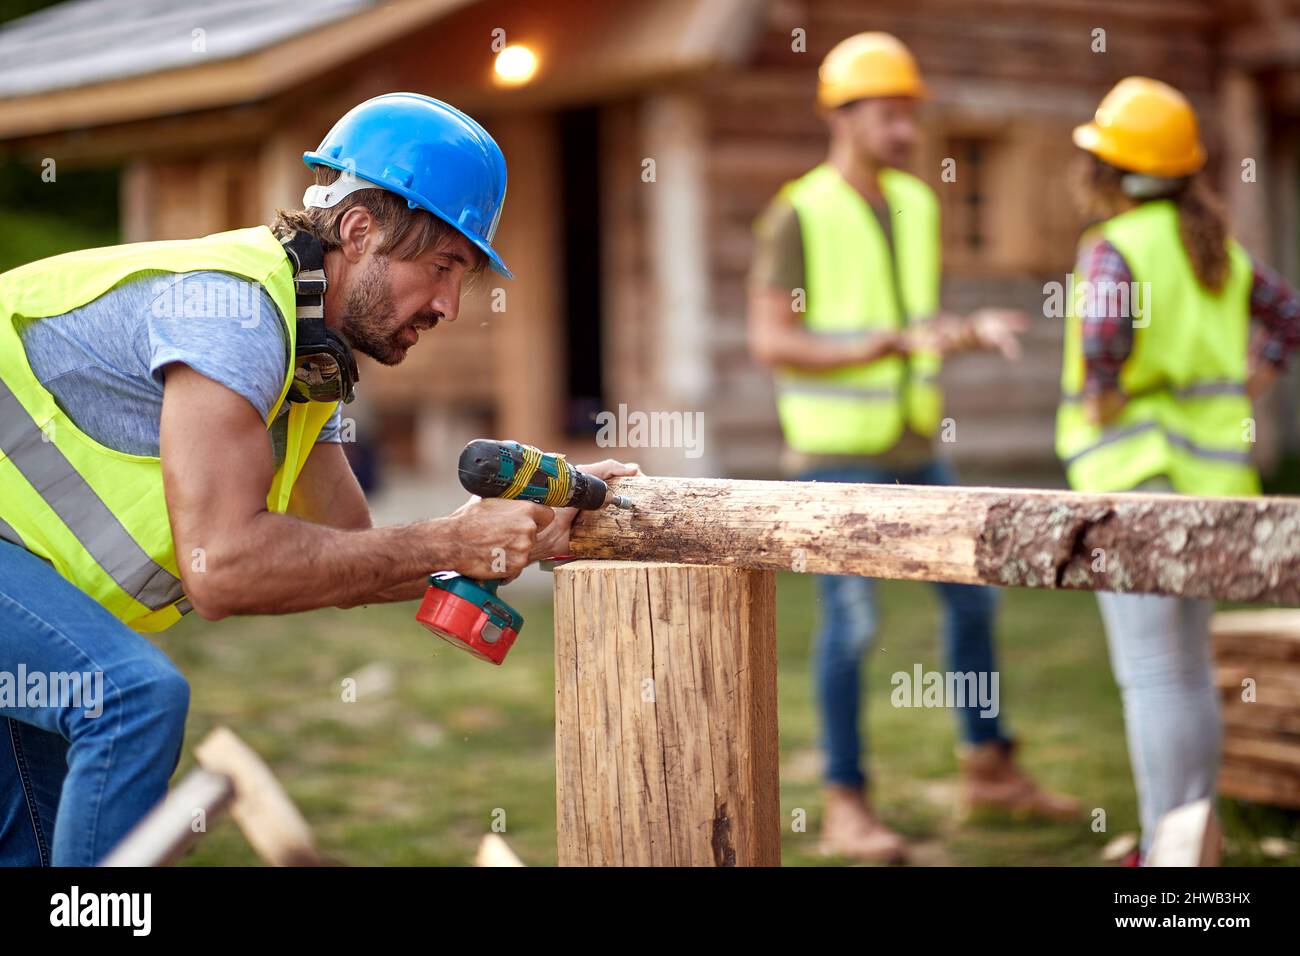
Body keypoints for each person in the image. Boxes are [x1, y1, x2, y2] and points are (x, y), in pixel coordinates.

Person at [0, 91, 636, 866]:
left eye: (463, 276)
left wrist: (502, 538)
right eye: (440, 266)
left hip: (24, 576)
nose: (449, 304)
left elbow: (350, 553)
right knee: (131, 700)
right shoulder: (233, 317)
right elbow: (223, 569)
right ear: (360, 229)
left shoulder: (311, 358)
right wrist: (449, 540)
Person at [747, 32, 1078, 863]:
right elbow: (772, 340)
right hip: (834, 455)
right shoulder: (799, 213)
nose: (903, 131)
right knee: (851, 626)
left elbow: (912, 327)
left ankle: (990, 768)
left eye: (909, 116)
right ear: (842, 115)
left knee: (975, 600)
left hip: (917, 443)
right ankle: (846, 803)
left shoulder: (920, 206)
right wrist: (890, 343)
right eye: (888, 116)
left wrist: (965, 331)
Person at [1061, 76, 1300, 862]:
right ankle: (1194, 838)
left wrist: (1100, 394)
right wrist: (1254, 377)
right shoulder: (1220, 254)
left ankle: (1168, 852)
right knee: (1189, 673)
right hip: (1214, 490)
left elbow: (1101, 336)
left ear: (1113, 169)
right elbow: (1287, 317)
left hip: (1136, 486)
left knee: (1154, 678)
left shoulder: (1114, 247)